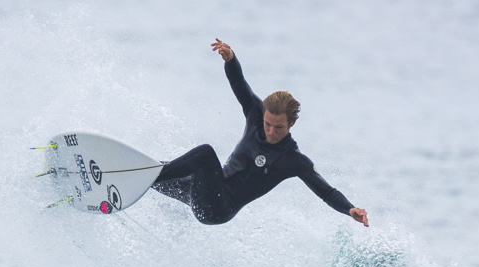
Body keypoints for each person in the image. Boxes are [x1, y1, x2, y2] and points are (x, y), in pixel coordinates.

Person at [154, 40, 370, 227]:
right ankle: (133, 178)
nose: (271, 131)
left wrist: (350, 209)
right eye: (268, 124)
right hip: (203, 191)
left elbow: (326, 191)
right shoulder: (255, 115)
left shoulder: (293, 159)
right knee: (155, 170)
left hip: (218, 209)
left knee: (204, 154)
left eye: (278, 127)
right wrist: (230, 59)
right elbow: (239, 83)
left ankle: (150, 173)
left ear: (291, 124)